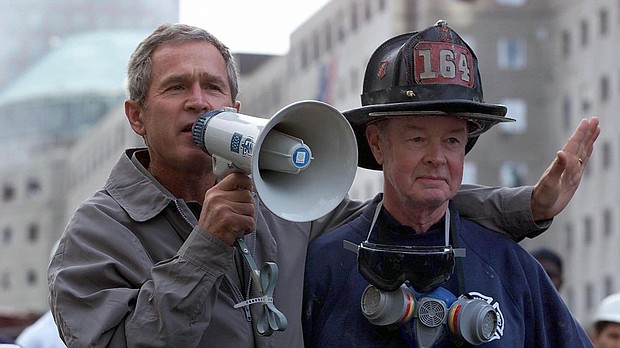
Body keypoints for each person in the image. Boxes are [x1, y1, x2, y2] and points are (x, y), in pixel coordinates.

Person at [47, 23, 596, 347]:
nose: (199, 102)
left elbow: (401, 203)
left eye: (213, 87)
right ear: (136, 115)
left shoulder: (284, 204)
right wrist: (205, 250)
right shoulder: (96, 236)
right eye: (176, 88)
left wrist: (527, 204)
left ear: (235, 109)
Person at [303, 20, 595, 347]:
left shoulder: (511, 268)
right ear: (377, 143)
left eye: (452, 141)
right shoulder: (323, 266)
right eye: (417, 138)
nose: (437, 157)